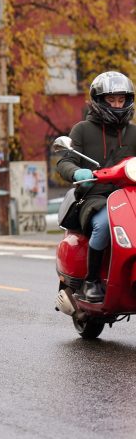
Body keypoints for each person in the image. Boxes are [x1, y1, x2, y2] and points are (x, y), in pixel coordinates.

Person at [57, 71, 136, 302]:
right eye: (111, 100)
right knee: (104, 225)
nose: (117, 105)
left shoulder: (134, 132)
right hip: (94, 198)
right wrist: (76, 172)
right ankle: (92, 280)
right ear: (99, 101)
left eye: (121, 100)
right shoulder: (82, 130)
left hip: (131, 197)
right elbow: (64, 161)